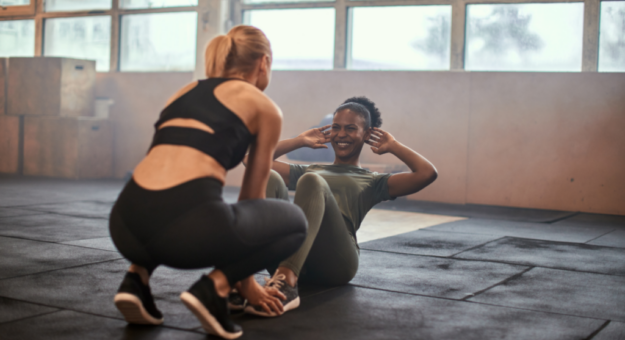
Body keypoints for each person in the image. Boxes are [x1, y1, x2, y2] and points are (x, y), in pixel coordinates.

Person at [108, 25, 307, 339]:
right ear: (263, 63)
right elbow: (251, 199)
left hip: (123, 224)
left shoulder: (184, 91)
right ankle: (212, 290)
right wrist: (246, 285)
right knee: (295, 222)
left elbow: (159, 165)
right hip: (187, 234)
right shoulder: (264, 106)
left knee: (168, 207)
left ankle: (136, 280)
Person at [243, 97, 437, 317]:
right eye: (336, 127)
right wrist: (298, 141)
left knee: (312, 181)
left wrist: (394, 146)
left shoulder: (374, 181)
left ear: (366, 135)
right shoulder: (312, 168)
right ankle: (244, 278)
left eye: (351, 128)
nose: (341, 134)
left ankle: (287, 280)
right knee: (269, 176)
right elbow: (252, 161)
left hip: (335, 263)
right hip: (294, 255)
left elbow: (427, 173)